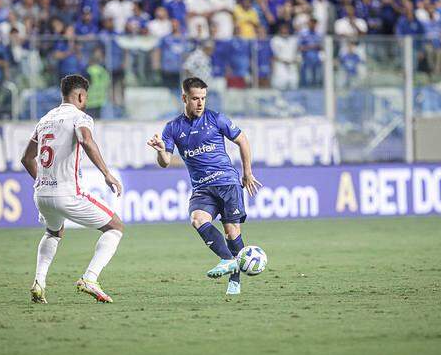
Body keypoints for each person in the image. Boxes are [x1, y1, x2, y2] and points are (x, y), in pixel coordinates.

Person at [147, 77, 262, 296]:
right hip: (202, 188)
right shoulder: (172, 128)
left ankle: (234, 282)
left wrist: (247, 173)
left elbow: (242, 140)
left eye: (203, 98)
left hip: (227, 183)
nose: (200, 103)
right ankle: (228, 260)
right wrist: (161, 150)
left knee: (231, 232)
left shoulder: (216, 119)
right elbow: (165, 162)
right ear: (184, 98)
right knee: (197, 219)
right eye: (195, 98)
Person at [20, 74, 124, 304]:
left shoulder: (45, 119)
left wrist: (43, 183)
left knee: (54, 232)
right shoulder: (80, 117)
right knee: (115, 226)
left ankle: (39, 282)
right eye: (84, 97)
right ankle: (90, 278)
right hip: (68, 193)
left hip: (42, 194)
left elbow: (27, 159)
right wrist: (107, 174)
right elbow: (86, 141)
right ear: (80, 95)